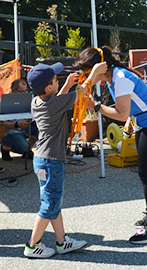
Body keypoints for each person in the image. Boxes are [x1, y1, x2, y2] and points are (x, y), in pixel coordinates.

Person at [76, 46, 147, 245]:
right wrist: (130, 119)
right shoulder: (114, 76)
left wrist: (96, 106)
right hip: (146, 122)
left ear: (101, 67)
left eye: (87, 71)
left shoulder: (120, 78)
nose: (86, 76)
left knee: (146, 173)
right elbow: (133, 104)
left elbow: (120, 113)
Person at [23, 62, 103, 258]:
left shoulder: (38, 102)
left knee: (52, 201)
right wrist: (93, 73)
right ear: (48, 87)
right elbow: (83, 91)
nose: (58, 80)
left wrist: (66, 85)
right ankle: (32, 245)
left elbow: (57, 101)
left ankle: (62, 241)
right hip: (51, 161)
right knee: (49, 205)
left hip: (42, 159)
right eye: (55, 79)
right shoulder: (54, 104)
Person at [0, 78, 37, 161]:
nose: (24, 94)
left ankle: (28, 151)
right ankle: (5, 148)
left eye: (26, 91)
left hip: (25, 126)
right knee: (23, 147)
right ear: (14, 90)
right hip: (11, 131)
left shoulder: (28, 99)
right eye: (22, 92)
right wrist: (16, 124)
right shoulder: (2, 102)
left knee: (41, 129)